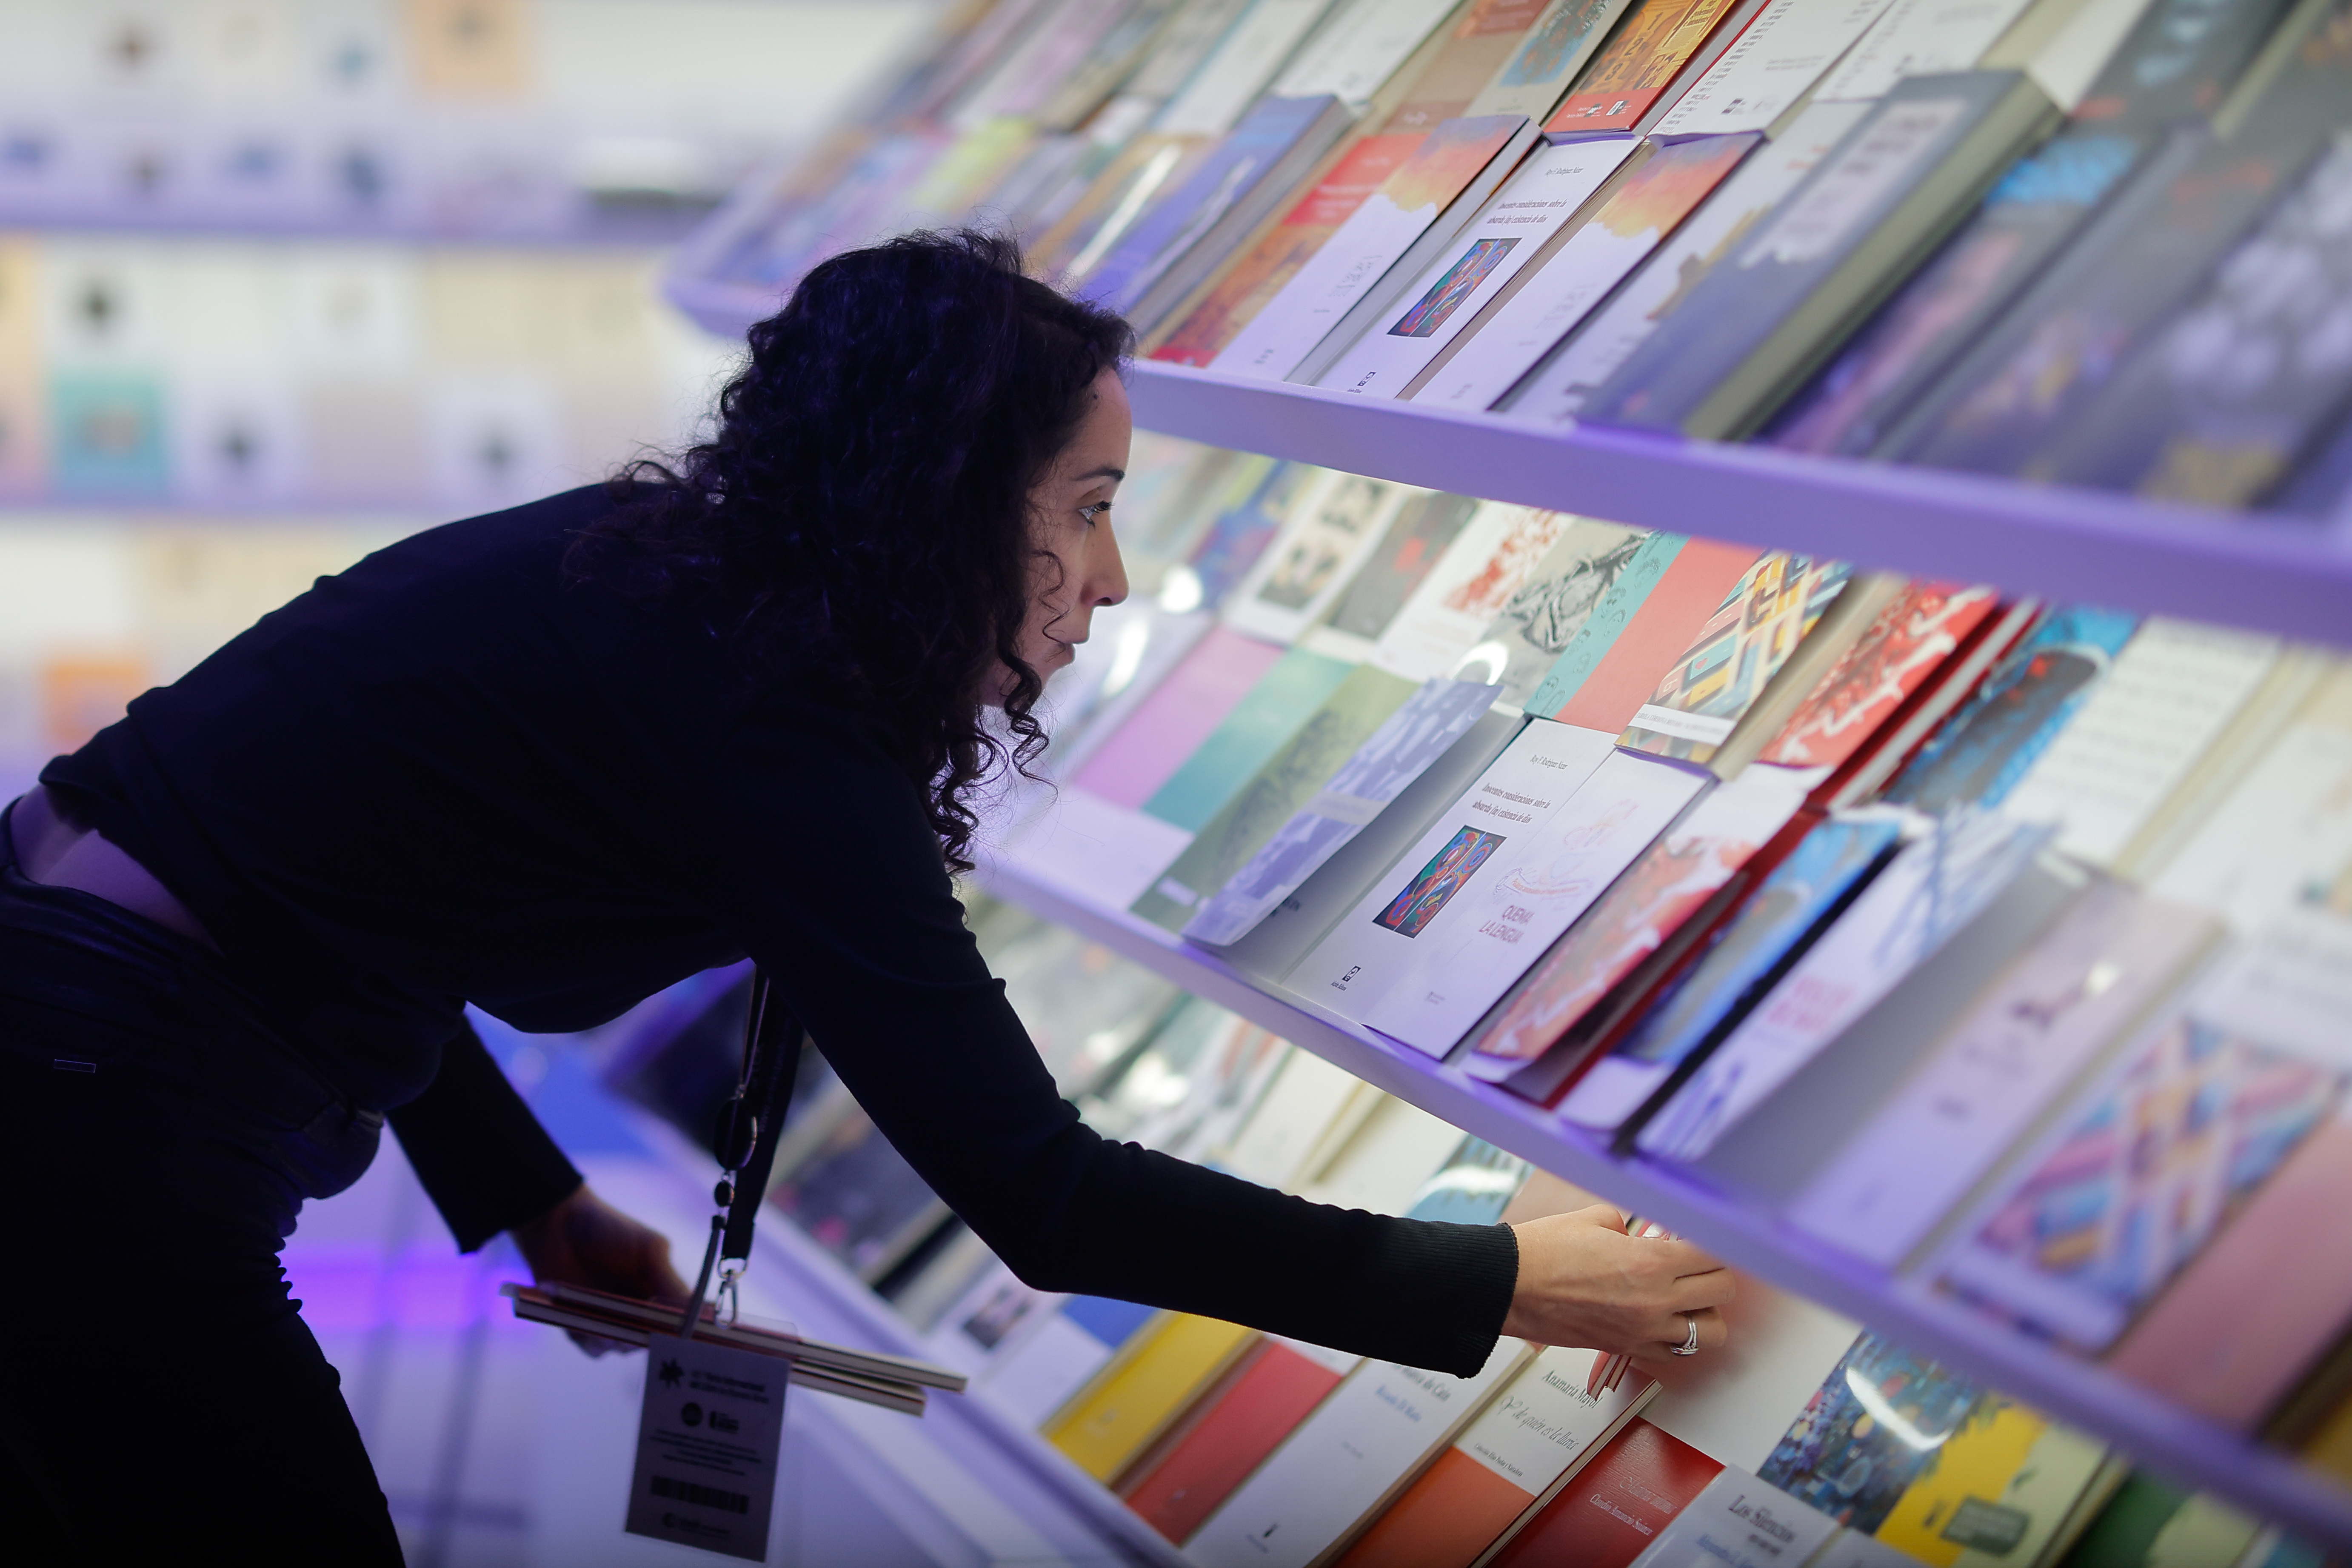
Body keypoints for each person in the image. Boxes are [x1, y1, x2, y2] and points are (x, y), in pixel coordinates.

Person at [0, 231, 1733, 1563]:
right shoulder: (772, 716)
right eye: (1090, 506)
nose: (1112, 581)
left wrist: (538, 1206)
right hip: (97, 1098)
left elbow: (316, 892)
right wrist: (1500, 1278)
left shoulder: (665, 591)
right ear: (949, 504)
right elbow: (1043, 1195)